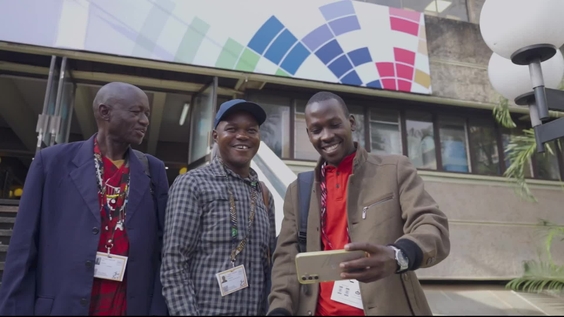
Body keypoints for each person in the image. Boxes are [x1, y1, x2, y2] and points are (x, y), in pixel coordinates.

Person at [268, 91, 450, 316]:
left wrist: (397, 256)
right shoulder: (298, 190)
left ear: (351, 122)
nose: (326, 136)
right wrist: (279, 309)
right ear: (309, 134)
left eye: (334, 124)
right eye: (316, 130)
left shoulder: (394, 170)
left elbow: (432, 225)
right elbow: (286, 259)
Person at [0, 82, 169, 316]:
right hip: (63, 305)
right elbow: (23, 246)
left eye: (147, 114)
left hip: (127, 306)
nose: (145, 121)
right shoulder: (52, 162)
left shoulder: (153, 170)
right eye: (135, 112)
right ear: (104, 112)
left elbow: (163, 249)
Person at [161, 99, 276, 316]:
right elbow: (174, 263)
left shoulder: (263, 194)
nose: (242, 136)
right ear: (215, 135)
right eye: (231, 129)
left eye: (251, 130)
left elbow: (268, 268)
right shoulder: (193, 183)